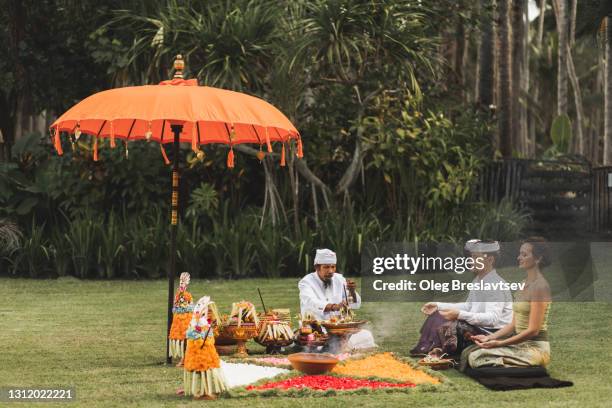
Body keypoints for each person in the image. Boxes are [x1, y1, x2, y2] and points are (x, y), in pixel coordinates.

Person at [461, 237, 552, 369]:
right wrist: (491, 338)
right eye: (520, 253)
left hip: (535, 349)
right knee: (470, 353)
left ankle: (518, 365)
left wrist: (499, 344)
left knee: (476, 357)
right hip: (519, 344)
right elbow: (513, 324)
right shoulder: (523, 284)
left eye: (524, 254)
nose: (519, 257)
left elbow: (533, 331)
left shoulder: (540, 287)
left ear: (538, 259)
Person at [411, 240, 513, 356]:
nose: (470, 260)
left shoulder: (494, 284)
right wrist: (438, 306)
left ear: (490, 260)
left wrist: (459, 315)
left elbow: (492, 319)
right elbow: (469, 306)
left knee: (455, 325)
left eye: (475, 257)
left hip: (494, 332)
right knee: (438, 314)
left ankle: (442, 351)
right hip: (479, 326)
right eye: (471, 256)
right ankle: (430, 348)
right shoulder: (479, 280)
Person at [298, 248, 377, 350]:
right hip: (316, 329)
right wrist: (334, 307)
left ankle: (341, 346)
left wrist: (352, 292)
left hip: (339, 329)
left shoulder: (339, 279)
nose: (330, 271)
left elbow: (355, 305)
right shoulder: (306, 282)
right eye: (326, 267)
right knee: (318, 343)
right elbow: (311, 302)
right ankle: (340, 347)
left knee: (366, 335)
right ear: (317, 267)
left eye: (333, 267)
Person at [182, 296, 227, 400]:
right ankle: (201, 392)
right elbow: (195, 329)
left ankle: (205, 391)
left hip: (205, 347)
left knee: (206, 370)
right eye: (208, 311)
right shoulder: (196, 323)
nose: (210, 313)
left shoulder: (204, 324)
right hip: (198, 348)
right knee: (200, 369)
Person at [169, 272, 194, 367]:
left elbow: (190, 303)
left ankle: (186, 358)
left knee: (186, 337)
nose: (182, 282)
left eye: (184, 280)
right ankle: (183, 358)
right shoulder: (178, 293)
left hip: (187, 318)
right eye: (180, 280)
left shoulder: (187, 294)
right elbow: (176, 303)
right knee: (180, 338)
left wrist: (188, 306)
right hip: (179, 318)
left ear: (188, 282)